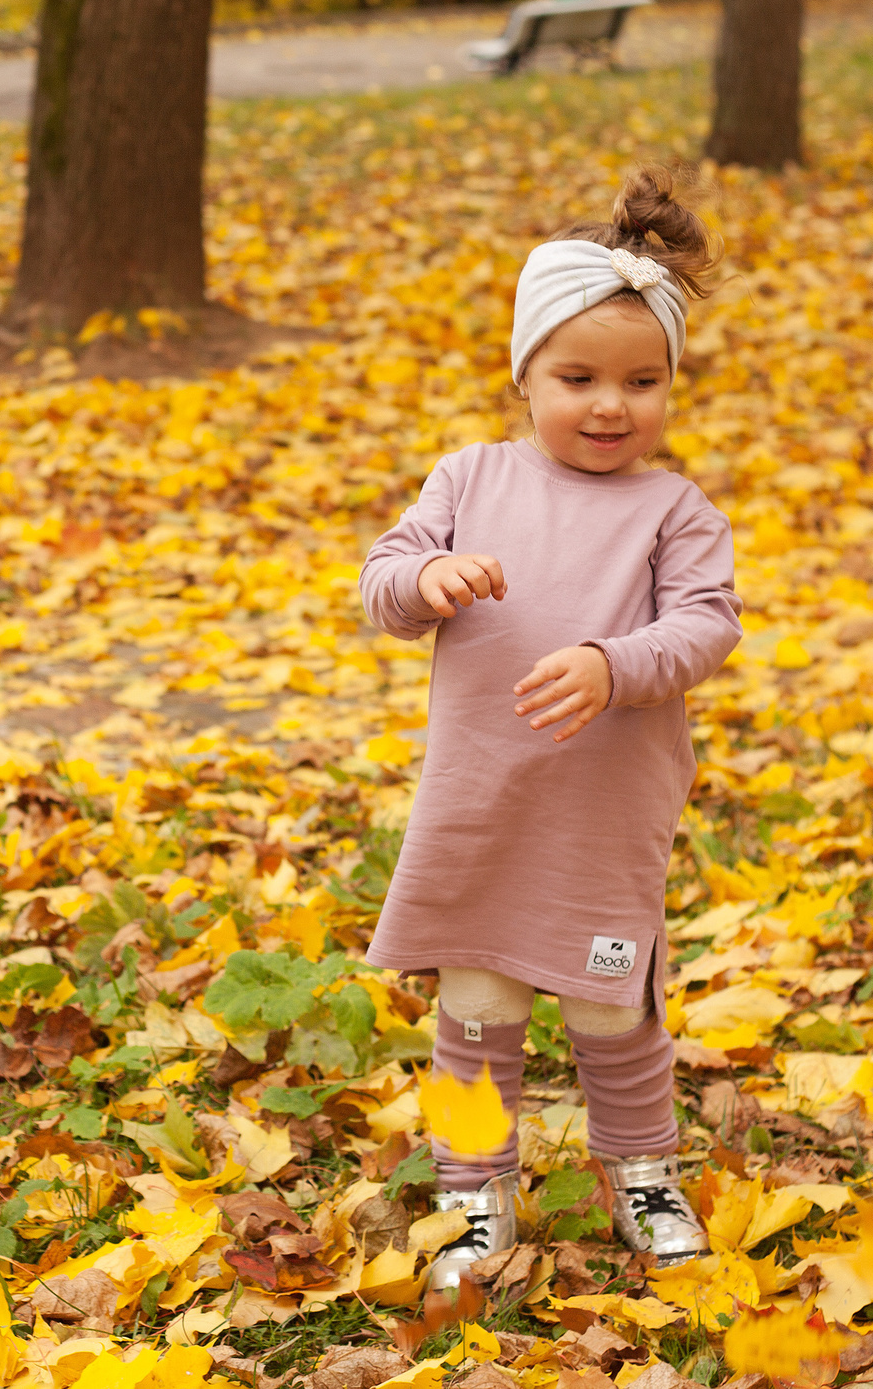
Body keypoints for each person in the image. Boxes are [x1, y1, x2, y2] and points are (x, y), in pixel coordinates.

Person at [358, 167, 742, 1283]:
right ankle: (473, 1191)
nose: (611, 405)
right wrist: (426, 579)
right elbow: (383, 579)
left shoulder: (674, 511)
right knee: (475, 1008)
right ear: (524, 372)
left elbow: (705, 628)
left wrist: (611, 665)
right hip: (483, 807)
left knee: (612, 1009)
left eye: (642, 381)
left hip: (599, 821)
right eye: (578, 378)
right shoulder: (469, 479)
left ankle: (641, 1172)